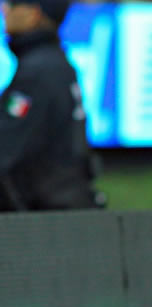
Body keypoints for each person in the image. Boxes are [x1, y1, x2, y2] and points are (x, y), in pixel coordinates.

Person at [0, 0, 101, 211]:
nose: (5, 10)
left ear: (34, 14)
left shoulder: (37, 72)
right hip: (69, 201)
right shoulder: (56, 62)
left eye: (14, 5)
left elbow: (5, 147)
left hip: (47, 214)